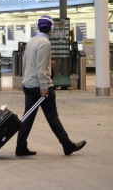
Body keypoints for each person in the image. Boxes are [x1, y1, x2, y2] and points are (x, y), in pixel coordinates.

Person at [16, 15, 86, 157]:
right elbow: (41, 68)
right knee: (52, 118)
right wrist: (44, 87)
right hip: (40, 87)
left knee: (27, 117)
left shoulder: (31, 41)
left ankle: (21, 147)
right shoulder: (45, 43)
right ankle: (68, 146)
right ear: (51, 29)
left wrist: (48, 64)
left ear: (38, 27)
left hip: (29, 85)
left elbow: (28, 62)